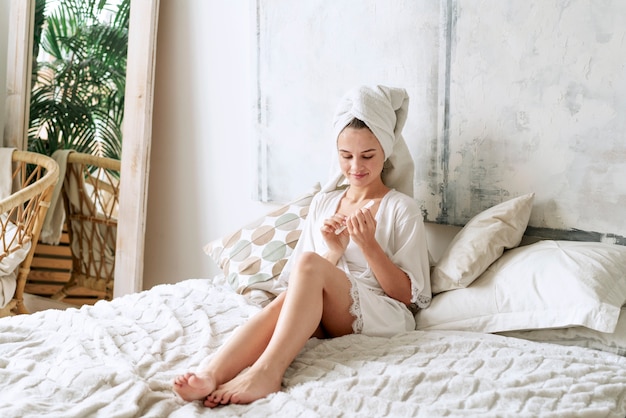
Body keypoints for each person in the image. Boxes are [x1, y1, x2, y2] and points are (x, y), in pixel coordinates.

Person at [172, 85, 431, 407]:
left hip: (382, 313)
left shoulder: (400, 208)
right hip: (328, 309)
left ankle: (267, 372)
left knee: (309, 263)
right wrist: (334, 250)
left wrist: (369, 246)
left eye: (367, 156)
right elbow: (301, 283)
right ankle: (210, 373)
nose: (355, 167)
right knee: (284, 301)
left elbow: (409, 298)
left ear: (386, 152)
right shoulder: (324, 203)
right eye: (345, 156)